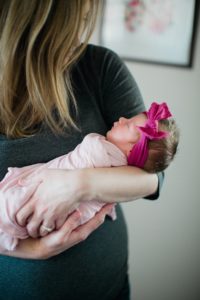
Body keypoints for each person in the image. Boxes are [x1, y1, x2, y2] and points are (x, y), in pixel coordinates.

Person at [0, 1, 165, 299]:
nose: (81, 31)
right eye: (80, 17)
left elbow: (153, 177)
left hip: (108, 287)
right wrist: (33, 249)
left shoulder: (98, 66)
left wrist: (78, 185)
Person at [0, 102, 179, 252]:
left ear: (133, 150)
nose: (123, 118)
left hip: (105, 279)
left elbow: (155, 178)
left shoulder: (98, 149)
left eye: (128, 125)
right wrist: (35, 250)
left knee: (13, 204)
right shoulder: (121, 174)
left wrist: (82, 184)